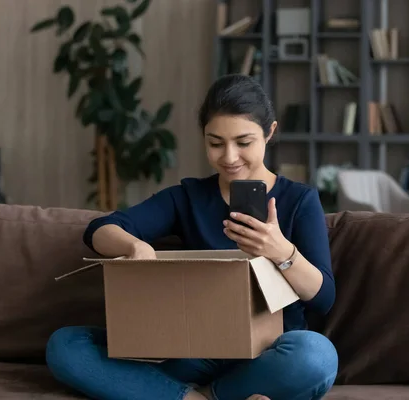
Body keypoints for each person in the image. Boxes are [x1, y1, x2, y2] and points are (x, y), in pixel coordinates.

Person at [45, 74, 338, 400]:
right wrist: (135, 245)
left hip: (268, 352)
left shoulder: (299, 200)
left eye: (243, 142)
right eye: (215, 143)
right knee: (65, 345)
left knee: (318, 357)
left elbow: (323, 298)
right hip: (194, 349)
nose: (229, 157)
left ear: (269, 133)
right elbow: (99, 229)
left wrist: (281, 250)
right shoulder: (188, 197)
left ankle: (194, 394)